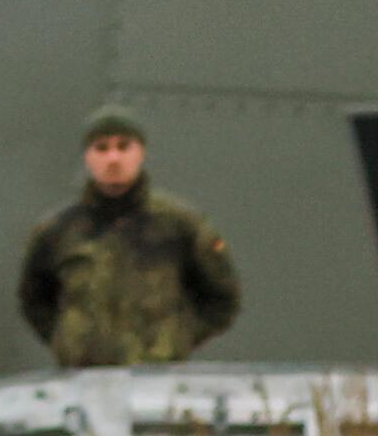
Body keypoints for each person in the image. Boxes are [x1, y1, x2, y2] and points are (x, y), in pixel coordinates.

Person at [21, 107, 241, 367]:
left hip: (156, 378)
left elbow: (222, 297)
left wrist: (176, 340)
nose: (113, 158)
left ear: (141, 153)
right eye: (101, 148)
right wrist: (69, 340)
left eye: (124, 147)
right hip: (84, 378)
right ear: (87, 157)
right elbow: (34, 299)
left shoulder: (180, 225)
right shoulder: (58, 231)